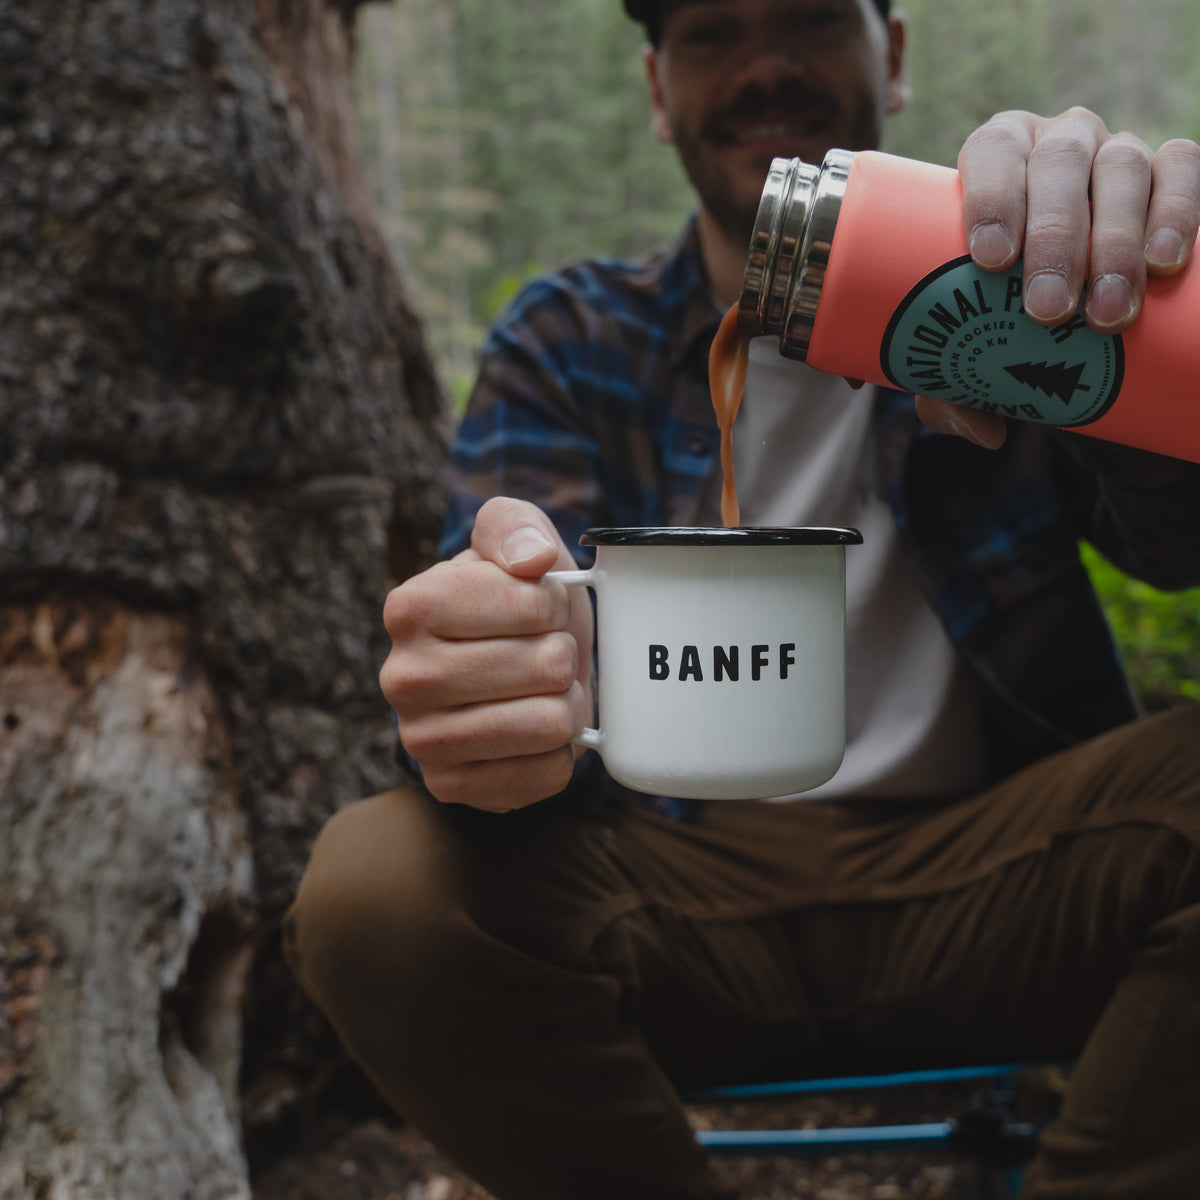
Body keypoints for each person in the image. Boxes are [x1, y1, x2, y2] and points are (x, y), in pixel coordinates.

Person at [284, 1, 1200, 1197]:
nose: (768, 67)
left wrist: (1128, 312)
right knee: (376, 883)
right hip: (676, 900)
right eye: (712, 30)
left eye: (814, 16)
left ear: (898, 54)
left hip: (1010, 875)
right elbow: (497, 635)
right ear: (658, 91)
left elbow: (1174, 544)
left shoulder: (1007, 292)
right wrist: (491, 677)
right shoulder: (571, 338)